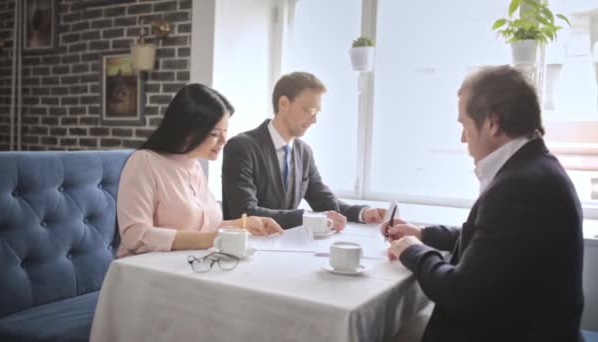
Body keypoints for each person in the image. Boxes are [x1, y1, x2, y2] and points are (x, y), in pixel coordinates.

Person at [383, 65, 584, 341]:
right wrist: (423, 234)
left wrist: (413, 252)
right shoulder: (535, 169)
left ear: (492, 123)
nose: (463, 139)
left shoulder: (520, 188)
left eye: (464, 126)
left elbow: (462, 293)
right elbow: (490, 242)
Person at [117, 84, 283, 258]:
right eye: (214, 134)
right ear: (187, 130)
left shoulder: (193, 164)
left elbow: (204, 230)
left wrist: (243, 225)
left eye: (225, 131)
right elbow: (135, 236)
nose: (224, 140)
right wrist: (213, 239)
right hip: (143, 271)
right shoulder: (144, 162)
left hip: (189, 265)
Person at [221, 72, 386, 230]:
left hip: (289, 248)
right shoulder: (241, 147)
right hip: (247, 249)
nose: (314, 120)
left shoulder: (304, 152)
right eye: (309, 111)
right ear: (283, 104)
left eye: (317, 112)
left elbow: (324, 202)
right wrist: (306, 219)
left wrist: (363, 213)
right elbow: (245, 212)